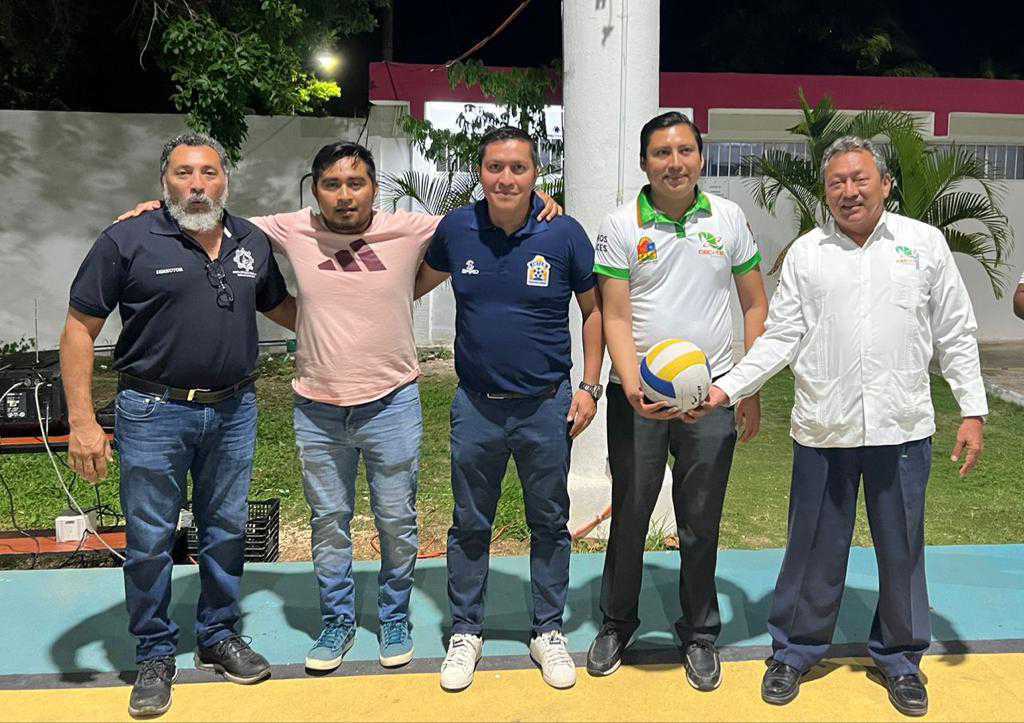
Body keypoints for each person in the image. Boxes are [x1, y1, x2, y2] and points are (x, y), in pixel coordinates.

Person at [117, 142, 563, 673]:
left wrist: (540, 202)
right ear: (315, 189)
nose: (345, 195)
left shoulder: (414, 228)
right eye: (332, 184)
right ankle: (337, 619)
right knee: (330, 521)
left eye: (357, 183)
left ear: (375, 187)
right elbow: (207, 211)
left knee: (398, 520)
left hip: (393, 400)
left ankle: (394, 615)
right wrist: (152, 208)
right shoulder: (284, 228)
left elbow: (487, 214)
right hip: (317, 405)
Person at [695, 136, 988, 717]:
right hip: (822, 430)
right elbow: (781, 337)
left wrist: (972, 409)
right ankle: (795, 651)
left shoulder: (923, 245)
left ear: (884, 184)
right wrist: (729, 385)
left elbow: (955, 331)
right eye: (836, 182)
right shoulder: (807, 254)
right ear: (825, 191)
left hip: (901, 430)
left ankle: (902, 658)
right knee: (811, 550)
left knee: (902, 549)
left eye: (859, 179)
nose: (848, 191)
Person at [62, 132, 296, 718]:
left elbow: (285, 308)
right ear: (163, 181)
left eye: (209, 173)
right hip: (152, 411)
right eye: (184, 174)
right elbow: (78, 330)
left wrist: (360, 297)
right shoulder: (127, 239)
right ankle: (154, 653)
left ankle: (218, 636)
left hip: (234, 408)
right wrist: (82, 421)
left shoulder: (251, 241)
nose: (197, 185)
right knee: (149, 540)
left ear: (226, 180)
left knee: (224, 530)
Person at [415, 126, 604, 692]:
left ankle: (548, 630)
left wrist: (590, 386)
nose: (506, 178)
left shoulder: (564, 233)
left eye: (518, 168)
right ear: (481, 172)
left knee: (548, 522)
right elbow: (407, 280)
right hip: (475, 406)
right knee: (470, 523)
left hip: (546, 407)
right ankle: (466, 629)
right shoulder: (456, 229)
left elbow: (594, 312)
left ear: (535, 174)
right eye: (495, 167)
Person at [586, 111, 768, 691]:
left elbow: (755, 305)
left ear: (700, 158)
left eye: (685, 151)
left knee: (700, 521)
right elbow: (613, 312)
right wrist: (631, 380)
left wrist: (745, 386)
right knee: (631, 514)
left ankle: (700, 633)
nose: (674, 163)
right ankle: (618, 623)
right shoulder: (619, 224)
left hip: (711, 395)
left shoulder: (729, 218)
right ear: (644, 163)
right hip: (637, 395)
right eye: (661, 153)